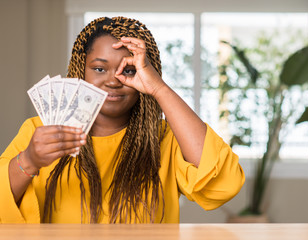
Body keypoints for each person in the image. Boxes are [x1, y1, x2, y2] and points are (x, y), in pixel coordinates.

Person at [0, 16, 245, 223]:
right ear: (80, 72)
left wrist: (158, 88)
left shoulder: (165, 139)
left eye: (128, 70)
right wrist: (29, 161)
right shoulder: (40, 131)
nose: (114, 80)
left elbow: (225, 183)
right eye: (99, 69)